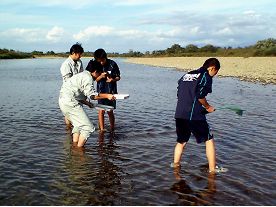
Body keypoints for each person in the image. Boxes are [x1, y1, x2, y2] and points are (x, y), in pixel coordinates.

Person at [172, 58, 223, 173]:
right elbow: (200, 95)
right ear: (212, 68)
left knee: (181, 141)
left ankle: (175, 167)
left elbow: (179, 92)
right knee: (209, 139)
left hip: (179, 113)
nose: (215, 75)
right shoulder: (205, 76)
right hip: (193, 115)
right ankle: (212, 170)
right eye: (216, 72)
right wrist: (208, 107)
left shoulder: (187, 75)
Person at [59, 60, 115, 148]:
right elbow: (92, 96)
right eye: (99, 73)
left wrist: (87, 103)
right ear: (95, 72)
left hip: (63, 101)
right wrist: (107, 95)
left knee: (78, 125)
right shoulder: (88, 78)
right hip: (70, 103)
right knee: (88, 127)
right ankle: (79, 151)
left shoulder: (81, 75)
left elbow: (76, 94)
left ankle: (74, 148)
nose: (99, 76)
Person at [92, 48, 121, 132]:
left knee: (110, 111)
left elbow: (118, 77)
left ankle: (112, 128)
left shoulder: (112, 64)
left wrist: (112, 79)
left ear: (105, 57)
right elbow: (94, 80)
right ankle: (102, 129)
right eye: (99, 61)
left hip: (111, 91)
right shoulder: (96, 65)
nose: (101, 62)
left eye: (102, 60)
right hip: (101, 92)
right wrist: (101, 76)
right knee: (101, 111)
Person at [60, 43, 84, 128]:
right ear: (74, 53)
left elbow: (81, 75)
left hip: (78, 91)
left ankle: (74, 130)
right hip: (68, 92)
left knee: (78, 112)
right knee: (68, 113)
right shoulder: (66, 64)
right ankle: (68, 131)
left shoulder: (79, 62)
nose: (80, 56)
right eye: (79, 54)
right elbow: (68, 81)